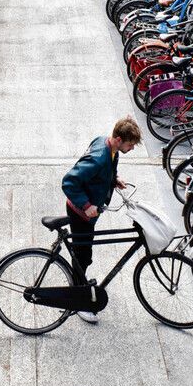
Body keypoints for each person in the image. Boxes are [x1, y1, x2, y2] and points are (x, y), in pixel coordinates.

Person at [61, 116, 142, 324]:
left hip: (89, 211)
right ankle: (78, 301)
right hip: (81, 213)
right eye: (130, 145)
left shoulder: (106, 144)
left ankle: (78, 284)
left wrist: (114, 180)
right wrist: (87, 206)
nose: (131, 149)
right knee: (82, 255)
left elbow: (105, 169)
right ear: (117, 139)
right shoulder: (99, 157)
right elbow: (69, 182)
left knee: (83, 254)